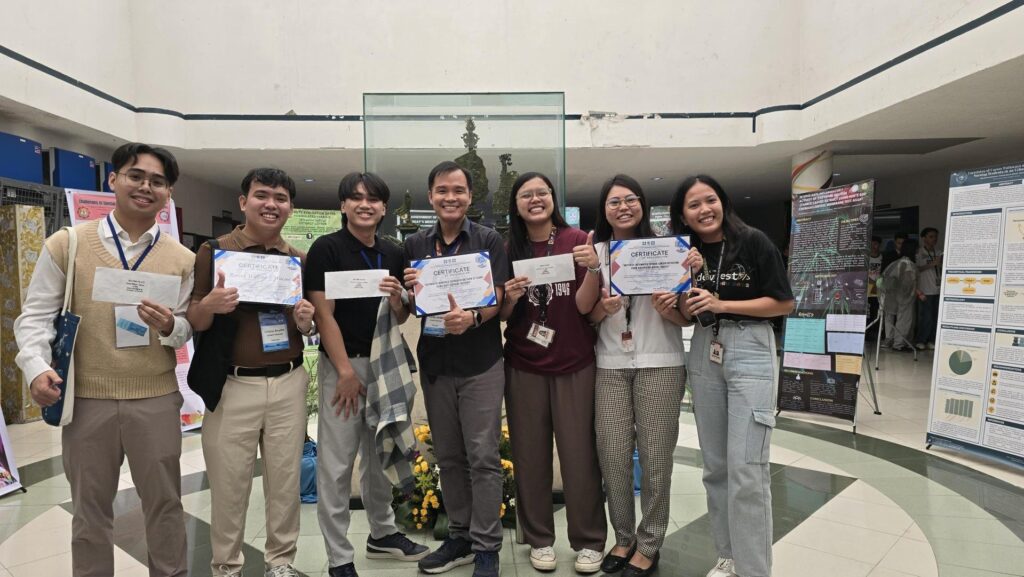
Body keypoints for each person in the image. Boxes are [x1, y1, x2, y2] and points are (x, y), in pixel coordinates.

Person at [14, 142, 194, 577]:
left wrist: (171, 326)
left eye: (157, 181)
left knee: (166, 506)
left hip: (155, 397)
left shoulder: (182, 259)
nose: (145, 187)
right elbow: (34, 317)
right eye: (135, 176)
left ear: (168, 193)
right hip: (87, 399)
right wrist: (36, 368)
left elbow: (187, 329)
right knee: (90, 513)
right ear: (112, 180)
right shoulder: (69, 244)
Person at [187, 168, 316, 577]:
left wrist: (305, 320)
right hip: (232, 383)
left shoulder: (297, 260)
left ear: (290, 208)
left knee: (284, 481)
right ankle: (226, 566)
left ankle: (281, 563)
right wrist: (211, 305)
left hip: (289, 380)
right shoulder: (214, 250)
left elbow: (306, 326)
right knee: (229, 483)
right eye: (262, 195)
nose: (271, 204)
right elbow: (193, 316)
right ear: (244, 202)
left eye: (281, 197)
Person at [304, 172, 428, 577]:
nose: (364, 205)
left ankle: (383, 533)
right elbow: (323, 313)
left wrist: (398, 300)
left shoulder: (392, 252)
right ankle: (339, 556)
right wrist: (343, 371)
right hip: (344, 366)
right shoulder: (326, 249)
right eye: (355, 198)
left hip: (384, 364)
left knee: (381, 452)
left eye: (373, 199)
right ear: (342, 206)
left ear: (383, 208)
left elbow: (403, 312)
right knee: (337, 465)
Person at [672, 175, 794, 577]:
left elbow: (783, 303)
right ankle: (728, 556)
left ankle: (755, 569)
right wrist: (684, 283)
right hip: (705, 347)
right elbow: (681, 310)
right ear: (683, 215)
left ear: (723, 202)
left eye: (710, 200)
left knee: (747, 467)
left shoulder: (754, 241)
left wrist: (722, 304)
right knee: (716, 466)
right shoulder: (683, 251)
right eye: (694, 205)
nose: (704, 210)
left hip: (750, 349)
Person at [402, 161, 509, 577]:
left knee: (482, 456)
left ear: (469, 197)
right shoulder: (414, 245)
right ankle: (460, 536)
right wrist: (409, 291)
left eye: (459, 190)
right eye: (442, 190)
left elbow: (497, 301)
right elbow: (414, 306)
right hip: (436, 365)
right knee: (448, 457)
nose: (451, 197)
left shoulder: (488, 240)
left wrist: (474, 319)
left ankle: (486, 546)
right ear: (431, 196)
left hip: (480, 362)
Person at [499, 172, 607, 573]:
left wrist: (594, 270)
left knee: (580, 455)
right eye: (526, 195)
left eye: (541, 192)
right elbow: (505, 314)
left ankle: (589, 540)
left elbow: (583, 306)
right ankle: (539, 539)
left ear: (553, 198)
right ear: (517, 204)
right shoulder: (509, 247)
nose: (534, 199)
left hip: (574, 361)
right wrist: (509, 298)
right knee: (529, 455)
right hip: (524, 363)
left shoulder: (578, 241)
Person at [587, 175, 691, 577]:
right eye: (614, 201)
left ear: (643, 205)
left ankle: (649, 542)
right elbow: (587, 316)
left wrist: (672, 311)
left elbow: (685, 313)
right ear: (604, 208)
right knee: (612, 454)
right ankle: (624, 536)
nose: (623, 207)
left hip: (661, 361)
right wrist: (604, 309)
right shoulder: (595, 251)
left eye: (631, 199)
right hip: (610, 364)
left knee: (655, 456)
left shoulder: (668, 250)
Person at [881, 239, 920, 352]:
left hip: (895, 296)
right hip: (905, 297)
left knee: (899, 319)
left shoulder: (898, 262)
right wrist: (918, 292)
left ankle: (897, 342)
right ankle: (899, 344)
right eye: (916, 249)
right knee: (904, 320)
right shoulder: (908, 264)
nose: (917, 251)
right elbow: (907, 283)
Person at [915, 227, 943, 350]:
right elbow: (916, 270)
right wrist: (931, 264)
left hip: (938, 289)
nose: (934, 239)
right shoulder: (919, 253)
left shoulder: (939, 252)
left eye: (935, 236)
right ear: (924, 238)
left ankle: (932, 340)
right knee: (926, 317)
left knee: (936, 317)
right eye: (931, 236)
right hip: (925, 289)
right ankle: (921, 340)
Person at [867, 236, 883, 337]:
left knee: (877, 312)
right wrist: (873, 282)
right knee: (868, 313)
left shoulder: (882, 257)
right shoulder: (865, 257)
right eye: (871, 244)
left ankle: (876, 333)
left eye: (876, 244)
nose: (873, 246)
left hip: (879, 290)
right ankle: (867, 333)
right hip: (867, 290)